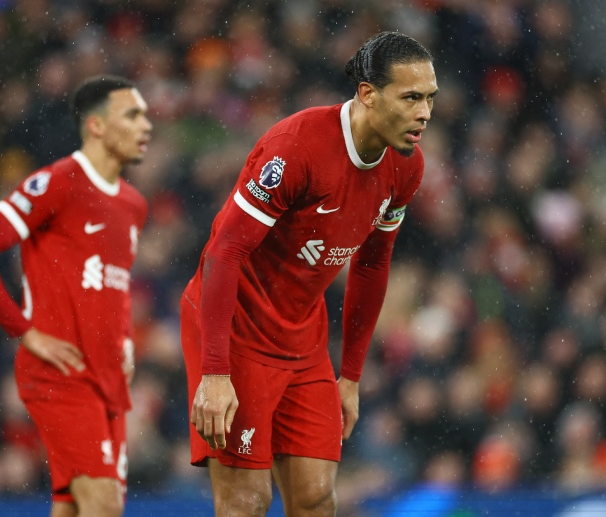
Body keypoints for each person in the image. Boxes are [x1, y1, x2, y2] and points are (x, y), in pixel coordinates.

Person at [180, 31, 438, 516]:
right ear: (367, 94)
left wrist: (351, 377)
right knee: (247, 503)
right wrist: (215, 373)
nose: (424, 112)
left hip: (302, 336)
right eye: (410, 98)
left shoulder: (406, 167)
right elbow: (223, 252)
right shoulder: (296, 148)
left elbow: (372, 263)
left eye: (429, 98)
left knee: (317, 497)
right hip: (236, 330)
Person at [0, 75, 151, 517]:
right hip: (60, 374)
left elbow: (117, 286)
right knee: (103, 507)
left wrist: (125, 343)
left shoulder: (133, 205)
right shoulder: (57, 182)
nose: (146, 125)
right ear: (97, 126)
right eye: (133, 114)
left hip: (108, 379)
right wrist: (24, 332)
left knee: (72, 507)